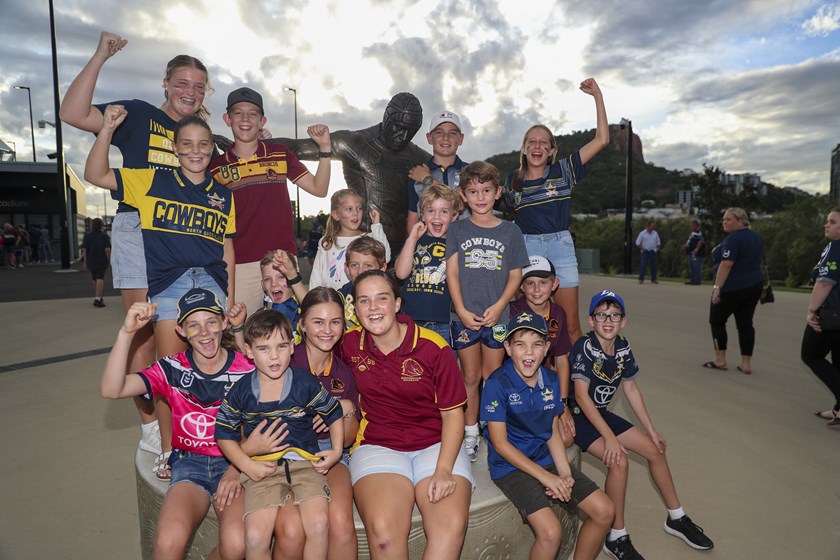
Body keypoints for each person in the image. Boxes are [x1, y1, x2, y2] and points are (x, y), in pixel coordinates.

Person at [60, 31, 214, 457]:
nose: (190, 91)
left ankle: (185, 421)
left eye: (199, 86)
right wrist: (99, 57)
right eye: (182, 83)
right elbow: (72, 113)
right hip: (138, 229)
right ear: (165, 84)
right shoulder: (141, 115)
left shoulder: (201, 138)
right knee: (144, 333)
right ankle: (150, 423)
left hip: (185, 237)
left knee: (182, 332)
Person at [85, 107, 237, 476]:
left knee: (213, 370)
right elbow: (95, 174)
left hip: (212, 287)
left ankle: (214, 442)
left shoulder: (223, 195)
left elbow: (226, 247)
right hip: (171, 286)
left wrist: (229, 298)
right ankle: (172, 450)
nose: (196, 151)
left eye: (203, 144)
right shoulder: (151, 181)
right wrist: (105, 129)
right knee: (174, 375)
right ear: (176, 148)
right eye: (187, 144)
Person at [100, 288, 253, 560]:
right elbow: (112, 389)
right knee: (167, 542)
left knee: (237, 545)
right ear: (181, 330)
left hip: (232, 463)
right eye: (194, 325)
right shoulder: (171, 368)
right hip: (189, 463)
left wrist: (236, 468)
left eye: (211, 322)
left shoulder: (246, 370)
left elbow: (261, 429)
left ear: (224, 323)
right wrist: (126, 333)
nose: (204, 333)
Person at [339, 270, 472, 559]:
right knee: (385, 536)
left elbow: (453, 415)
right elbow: (312, 336)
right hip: (378, 442)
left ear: (397, 304)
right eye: (364, 300)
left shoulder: (434, 348)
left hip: (437, 444)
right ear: (356, 308)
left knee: (450, 527)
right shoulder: (348, 344)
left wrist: (444, 469)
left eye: (381, 298)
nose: (373, 308)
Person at [572, 290, 714, 559]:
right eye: (601, 315)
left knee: (655, 449)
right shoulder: (585, 347)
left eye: (614, 315)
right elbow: (580, 395)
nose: (608, 320)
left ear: (623, 321)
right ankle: (616, 536)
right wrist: (610, 437)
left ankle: (676, 518)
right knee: (619, 462)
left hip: (600, 413)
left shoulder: (623, 347)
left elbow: (632, 389)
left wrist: (651, 429)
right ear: (591, 320)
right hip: (578, 416)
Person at [481, 312, 614, 560]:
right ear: (508, 348)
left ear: (547, 349)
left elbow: (551, 430)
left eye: (536, 344)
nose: (529, 353)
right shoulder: (496, 384)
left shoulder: (552, 381)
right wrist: (545, 478)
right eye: (520, 344)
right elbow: (499, 444)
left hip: (545, 457)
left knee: (605, 511)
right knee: (551, 532)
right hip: (510, 466)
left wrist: (563, 473)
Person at [216, 310, 344, 560]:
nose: (274, 356)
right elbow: (223, 434)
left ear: (292, 347)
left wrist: (336, 450)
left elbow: (333, 411)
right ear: (249, 351)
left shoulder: (305, 383)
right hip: (261, 471)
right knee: (254, 536)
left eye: (281, 346)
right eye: (264, 349)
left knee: (318, 525)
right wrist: (245, 465)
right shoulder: (241, 391)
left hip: (307, 466)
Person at [502, 78, 609, 344]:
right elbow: (474, 196)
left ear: (551, 151)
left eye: (544, 143)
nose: (537, 147)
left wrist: (597, 95)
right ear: (524, 149)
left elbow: (602, 139)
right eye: (532, 142)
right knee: (527, 322)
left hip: (560, 246)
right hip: (527, 249)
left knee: (569, 326)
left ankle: (576, 385)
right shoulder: (511, 182)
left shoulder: (564, 171)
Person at [209, 86, 332, 315]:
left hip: (280, 259)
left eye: (252, 113)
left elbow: (319, 188)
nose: (245, 119)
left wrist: (324, 149)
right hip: (240, 263)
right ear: (227, 119)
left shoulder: (279, 153)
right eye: (238, 113)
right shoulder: (215, 167)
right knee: (239, 331)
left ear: (262, 120)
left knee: (288, 330)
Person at [271, 92, 430, 252]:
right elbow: (295, 148)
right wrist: (257, 142)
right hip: (362, 251)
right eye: (398, 127)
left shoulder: (418, 157)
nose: (402, 136)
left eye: (411, 131)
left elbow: (451, 186)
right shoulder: (354, 143)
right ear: (386, 116)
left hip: (401, 254)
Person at [446, 161, 529, 462]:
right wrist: (460, 309)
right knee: (469, 375)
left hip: (498, 316)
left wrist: (499, 306)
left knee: (492, 376)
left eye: (486, 190)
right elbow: (452, 273)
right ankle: (470, 432)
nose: (480, 197)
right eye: (473, 191)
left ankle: (494, 432)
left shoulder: (510, 231)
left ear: (497, 193)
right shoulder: (457, 229)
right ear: (463, 195)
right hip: (465, 316)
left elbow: (516, 275)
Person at [271, 287, 361, 560]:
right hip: (285, 453)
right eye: (318, 321)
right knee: (291, 531)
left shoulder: (343, 372)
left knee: (342, 526)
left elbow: (347, 439)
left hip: (331, 454)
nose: (327, 330)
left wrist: (342, 408)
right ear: (302, 324)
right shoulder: (283, 361)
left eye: (335, 322)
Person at [509, 255, 575, 445]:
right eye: (530, 283)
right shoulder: (512, 312)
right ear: (521, 287)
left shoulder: (558, 313)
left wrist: (561, 403)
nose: (536, 290)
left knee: (567, 439)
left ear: (555, 284)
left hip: (543, 383)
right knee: (523, 437)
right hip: (514, 383)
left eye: (543, 282)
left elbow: (561, 360)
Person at [395, 182, 462, 344]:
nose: (437, 217)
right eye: (431, 211)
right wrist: (412, 238)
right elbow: (401, 273)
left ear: (454, 216)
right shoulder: (414, 241)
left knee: (443, 367)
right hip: (411, 321)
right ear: (422, 215)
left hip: (444, 322)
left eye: (444, 212)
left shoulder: (457, 245)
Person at [703, 207, 764, 373]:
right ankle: (746, 364)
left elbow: (726, 264)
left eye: (728, 219)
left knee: (717, 321)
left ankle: (720, 360)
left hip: (732, 287)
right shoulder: (756, 237)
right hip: (754, 285)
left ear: (740, 221)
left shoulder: (733, 240)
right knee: (745, 324)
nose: (724, 222)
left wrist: (717, 288)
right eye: (723, 219)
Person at [309, 188, 390, 290]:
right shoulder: (326, 242)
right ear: (336, 214)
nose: (355, 213)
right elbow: (316, 276)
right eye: (349, 209)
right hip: (333, 300)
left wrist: (377, 225)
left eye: (359, 208)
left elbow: (385, 256)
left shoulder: (369, 237)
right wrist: (313, 301)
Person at [802, 208, 840, 426]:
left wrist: (811, 311)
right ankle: (839, 410)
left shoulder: (835, 247)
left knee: (810, 354)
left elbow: (825, 281)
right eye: (827, 221)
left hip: (832, 313)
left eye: (832, 222)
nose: (827, 225)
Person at [405, 111, 469, 233]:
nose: (446, 137)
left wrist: (428, 180)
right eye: (439, 132)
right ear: (429, 138)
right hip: (429, 247)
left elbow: (459, 204)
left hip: (465, 244)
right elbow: (412, 220)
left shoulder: (471, 172)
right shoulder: (417, 174)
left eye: (452, 133)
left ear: (460, 139)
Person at [83, 217, 111, 307]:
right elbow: (107, 249)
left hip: (91, 259)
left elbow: (85, 250)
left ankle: (98, 295)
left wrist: (85, 262)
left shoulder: (87, 236)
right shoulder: (105, 236)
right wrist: (109, 260)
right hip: (101, 259)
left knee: (94, 278)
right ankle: (97, 298)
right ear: (101, 225)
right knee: (100, 277)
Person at [685, 219, 705, 285]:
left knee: (696, 266)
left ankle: (697, 280)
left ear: (695, 225)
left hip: (696, 253)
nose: (690, 227)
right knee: (692, 267)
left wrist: (696, 249)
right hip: (690, 252)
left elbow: (701, 241)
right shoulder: (693, 232)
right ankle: (693, 279)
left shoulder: (700, 232)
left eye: (691, 225)